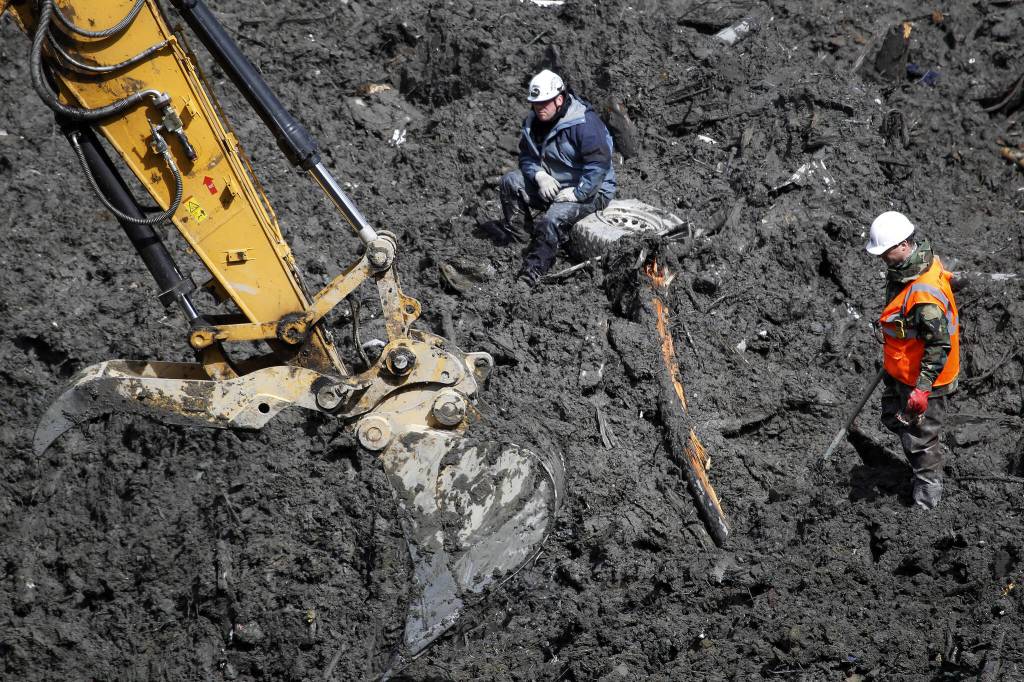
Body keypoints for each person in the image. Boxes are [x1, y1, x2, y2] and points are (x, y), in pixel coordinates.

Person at [865, 211, 960, 509]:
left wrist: (922, 389)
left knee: (920, 439)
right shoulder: (912, 266)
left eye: (886, 252)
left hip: (924, 377)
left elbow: (937, 345)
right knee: (892, 416)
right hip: (903, 367)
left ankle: (926, 501)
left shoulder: (924, 296)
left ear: (905, 245)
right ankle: (921, 455)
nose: (882, 258)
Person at [495, 70, 616, 286]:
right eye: (535, 103)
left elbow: (598, 166)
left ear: (559, 99)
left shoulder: (585, 124)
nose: (539, 108)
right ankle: (521, 244)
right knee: (510, 182)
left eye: (544, 103)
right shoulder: (534, 123)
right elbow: (527, 157)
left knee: (552, 218)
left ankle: (533, 271)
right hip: (554, 183)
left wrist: (578, 193)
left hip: (592, 190)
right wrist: (540, 176)